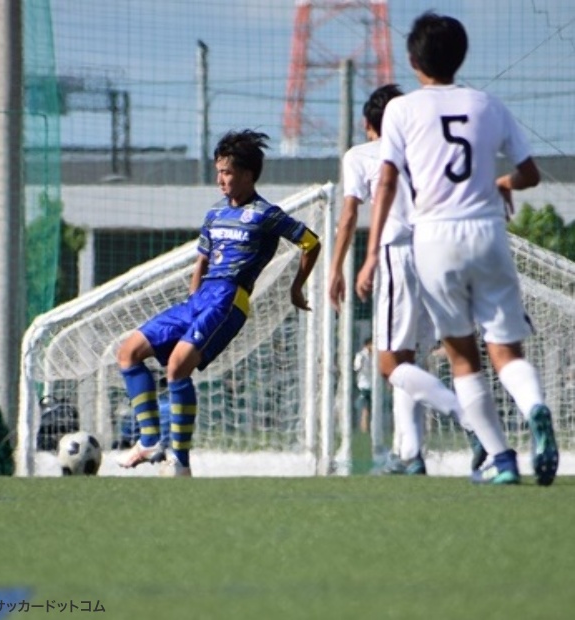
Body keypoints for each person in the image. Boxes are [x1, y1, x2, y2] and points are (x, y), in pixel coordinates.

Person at [357, 12, 559, 485]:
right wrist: (502, 182)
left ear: (412, 59)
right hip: (487, 232)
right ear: (463, 54)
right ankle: (535, 407)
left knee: (462, 356)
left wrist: (370, 255)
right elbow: (529, 174)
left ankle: (502, 461)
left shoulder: (401, 111)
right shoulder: (488, 104)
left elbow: (386, 182)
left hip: (434, 239)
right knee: (506, 351)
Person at [117, 129, 321, 476]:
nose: (220, 180)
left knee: (177, 367)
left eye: (227, 172)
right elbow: (202, 261)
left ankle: (180, 463)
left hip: (229, 299)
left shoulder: (265, 214)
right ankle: (150, 440)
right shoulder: (214, 214)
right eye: (218, 172)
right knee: (129, 351)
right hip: (200, 299)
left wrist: (296, 287)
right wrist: (193, 298)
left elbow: (311, 242)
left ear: (247, 174)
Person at [330, 84, 484, 476]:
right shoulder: (423, 149)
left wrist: (335, 268)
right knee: (410, 360)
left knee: (391, 363)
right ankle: (411, 453)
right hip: (439, 253)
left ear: (368, 125)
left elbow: (348, 216)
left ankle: (474, 423)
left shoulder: (361, 155)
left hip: (399, 255)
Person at [353, 338, 373, 433]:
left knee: (369, 408)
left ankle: (366, 427)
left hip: (372, 384)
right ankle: (364, 428)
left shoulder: (374, 356)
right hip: (364, 384)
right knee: (365, 407)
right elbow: (357, 368)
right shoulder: (361, 355)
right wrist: (361, 365)